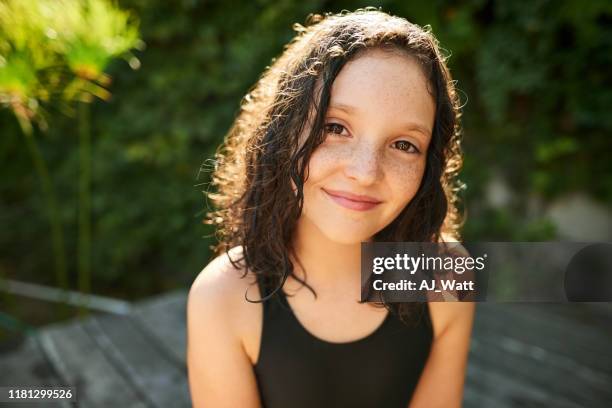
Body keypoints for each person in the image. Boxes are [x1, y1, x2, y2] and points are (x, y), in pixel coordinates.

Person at [187, 8, 475, 408]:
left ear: (430, 165)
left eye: (404, 144)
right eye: (334, 127)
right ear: (284, 132)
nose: (364, 172)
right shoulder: (222, 298)